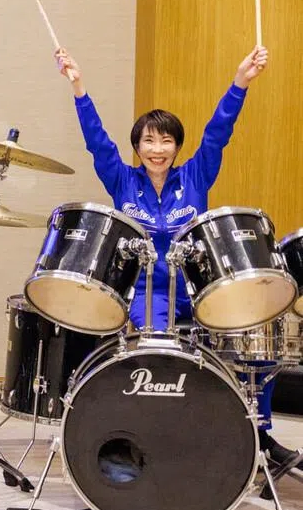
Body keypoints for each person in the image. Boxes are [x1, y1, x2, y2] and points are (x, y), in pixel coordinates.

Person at [54, 42, 298, 465]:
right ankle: (159, 436)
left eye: (166, 141)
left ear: (177, 147)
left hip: (200, 287)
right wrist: (79, 89)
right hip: (150, 293)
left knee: (258, 345)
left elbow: (218, 131)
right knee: (160, 356)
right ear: (138, 147)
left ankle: (259, 437)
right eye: (149, 141)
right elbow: (98, 142)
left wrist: (241, 81)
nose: (157, 149)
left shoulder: (197, 174)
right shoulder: (122, 180)